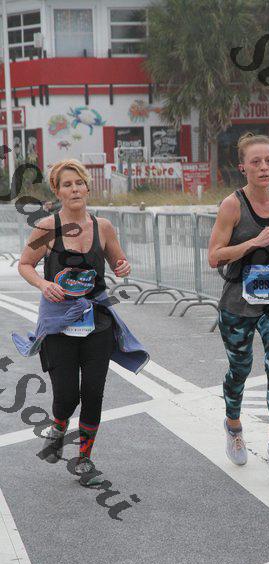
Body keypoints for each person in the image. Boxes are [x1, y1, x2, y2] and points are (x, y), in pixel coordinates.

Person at [14, 159, 149, 486]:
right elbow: (25, 264)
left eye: (79, 183)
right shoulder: (47, 228)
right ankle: (59, 425)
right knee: (66, 397)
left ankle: (84, 458)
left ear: (87, 188)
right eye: (67, 185)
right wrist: (43, 284)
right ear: (57, 191)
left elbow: (118, 261)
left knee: (92, 393)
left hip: (96, 322)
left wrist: (123, 266)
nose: (74, 189)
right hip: (58, 324)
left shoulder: (103, 227)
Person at [208, 133, 269, 473]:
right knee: (240, 368)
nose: (264, 167)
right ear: (242, 167)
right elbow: (214, 257)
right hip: (237, 301)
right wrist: (254, 242)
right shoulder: (232, 206)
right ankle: (233, 427)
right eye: (256, 162)